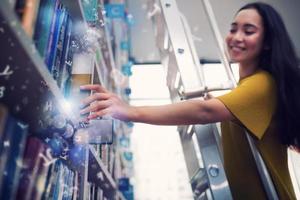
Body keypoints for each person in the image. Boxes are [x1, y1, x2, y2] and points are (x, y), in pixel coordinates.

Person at [80, 2, 300, 199]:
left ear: (268, 43)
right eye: (233, 28)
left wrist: (129, 111)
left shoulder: (262, 84)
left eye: (249, 31)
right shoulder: (248, 88)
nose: (236, 37)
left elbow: (205, 112)